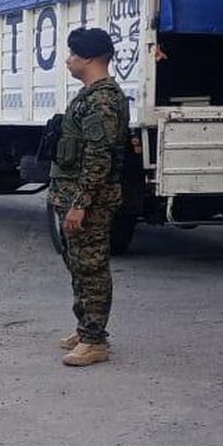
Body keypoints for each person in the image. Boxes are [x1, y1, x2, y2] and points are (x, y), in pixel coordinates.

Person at [50, 27, 130, 367]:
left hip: (89, 201)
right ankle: (86, 328)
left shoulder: (102, 99)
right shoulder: (90, 94)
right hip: (73, 195)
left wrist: (80, 204)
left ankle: (95, 340)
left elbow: (99, 158)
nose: (68, 60)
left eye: (72, 54)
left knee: (92, 268)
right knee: (78, 266)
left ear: (90, 58)